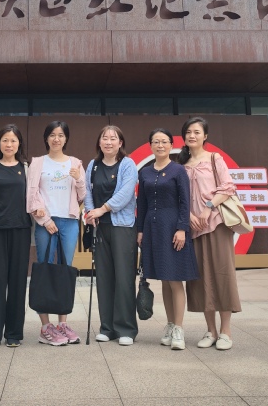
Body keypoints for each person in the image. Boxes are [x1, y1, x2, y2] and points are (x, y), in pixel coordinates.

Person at [179, 117, 242, 351]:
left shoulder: (215, 159)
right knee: (200, 278)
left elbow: (228, 187)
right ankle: (210, 330)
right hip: (193, 228)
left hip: (216, 223)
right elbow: (178, 196)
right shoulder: (181, 165)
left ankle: (225, 331)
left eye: (197, 132)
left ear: (205, 136)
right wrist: (188, 216)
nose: (192, 135)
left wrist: (208, 208)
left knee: (222, 274)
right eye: (188, 132)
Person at [136, 127, 198, 351]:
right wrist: (140, 230)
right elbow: (141, 203)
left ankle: (179, 328)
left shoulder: (178, 170)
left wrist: (182, 228)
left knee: (175, 278)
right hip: (152, 229)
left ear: (171, 145)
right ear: (150, 146)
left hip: (172, 228)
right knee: (163, 278)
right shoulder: (145, 172)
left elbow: (185, 202)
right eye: (156, 141)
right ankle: (170, 325)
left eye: (164, 141)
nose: (160, 145)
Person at [27, 120, 86, 346]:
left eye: (61, 135)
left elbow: (83, 196)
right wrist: (45, 220)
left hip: (69, 222)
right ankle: (45, 327)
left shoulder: (75, 163)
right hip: (46, 223)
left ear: (66, 138)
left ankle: (62, 324)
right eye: (52, 135)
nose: (56, 139)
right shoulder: (38, 163)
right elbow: (31, 195)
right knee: (44, 269)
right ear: (46, 138)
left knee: (65, 271)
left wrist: (78, 178)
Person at [84, 125, 138, 345]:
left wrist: (102, 209)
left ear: (120, 143)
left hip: (122, 226)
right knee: (104, 278)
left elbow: (126, 193)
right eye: (104, 138)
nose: (108, 142)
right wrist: (91, 212)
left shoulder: (127, 164)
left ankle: (126, 329)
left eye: (113, 138)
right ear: (99, 142)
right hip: (100, 227)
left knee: (124, 278)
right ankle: (107, 328)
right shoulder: (93, 165)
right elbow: (87, 191)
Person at [0, 124, 32, 350]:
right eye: (5, 140)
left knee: (18, 282)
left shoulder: (26, 168)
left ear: (19, 144)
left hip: (21, 229)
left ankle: (13, 333)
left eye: (13, 140)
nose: (9, 144)